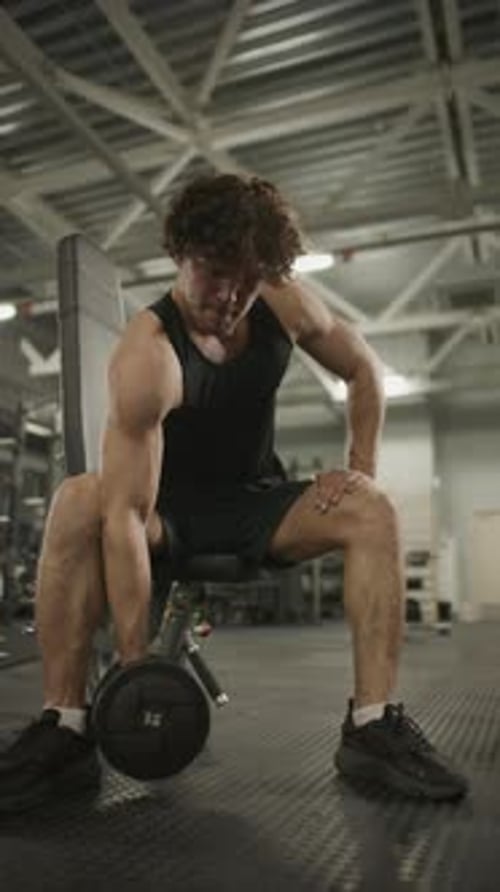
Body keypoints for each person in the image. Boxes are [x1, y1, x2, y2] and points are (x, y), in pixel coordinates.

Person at [0, 174, 467, 812]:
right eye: (216, 273)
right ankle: (68, 729)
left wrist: (359, 469)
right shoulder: (149, 355)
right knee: (80, 497)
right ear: (180, 255)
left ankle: (371, 726)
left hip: (258, 503)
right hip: (167, 512)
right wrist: (139, 675)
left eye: (248, 279)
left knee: (372, 509)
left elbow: (363, 369)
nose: (231, 297)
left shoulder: (281, 303)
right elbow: (129, 519)